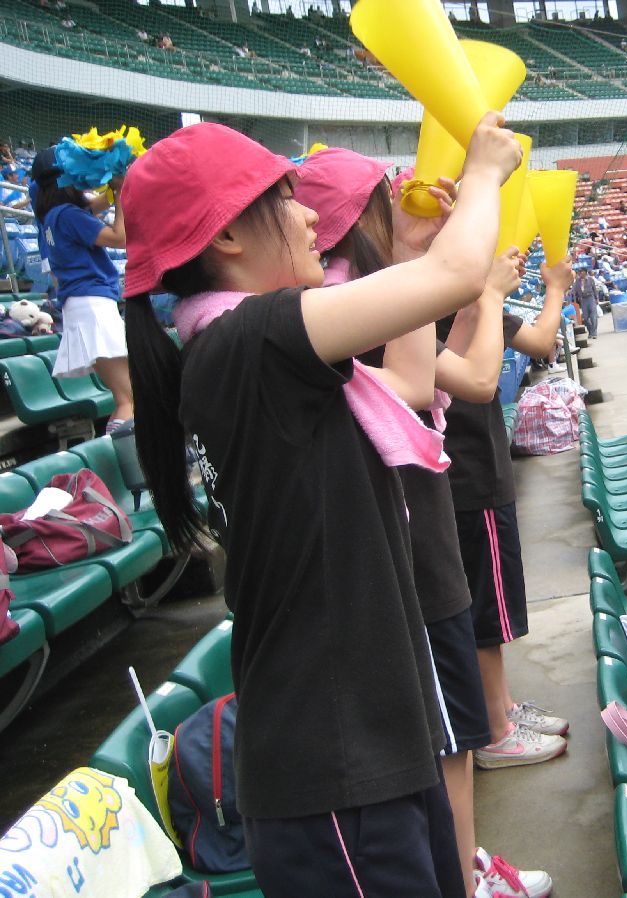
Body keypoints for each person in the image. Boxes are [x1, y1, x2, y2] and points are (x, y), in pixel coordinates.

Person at [122, 117, 523, 896]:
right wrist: (483, 174)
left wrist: (407, 253)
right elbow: (458, 275)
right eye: (286, 198)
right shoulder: (252, 342)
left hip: (360, 745)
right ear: (231, 235)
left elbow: (409, 375)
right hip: (336, 765)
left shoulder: (240, 352)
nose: (311, 217)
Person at [292, 148, 551, 898]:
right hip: (410, 554)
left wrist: (424, 263)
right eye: (387, 201)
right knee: (449, 746)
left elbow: (452, 369)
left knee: (454, 742)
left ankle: (465, 869)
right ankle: (464, 882)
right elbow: (452, 379)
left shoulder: (355, 306)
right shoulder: (341, 315)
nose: (407, 206)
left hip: (419, 546)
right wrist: (447, 268)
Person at [436, 249, 575, 773]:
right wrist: (554, 287)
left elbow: (538, 344)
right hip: (469, 478)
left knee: (485, 604)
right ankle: (494, 727)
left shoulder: (462, 296)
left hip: (471, 475)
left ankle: (503, 708)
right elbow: (487, 378)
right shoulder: (443, 301)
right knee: (485, 609)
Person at [33, 146, 133, 429]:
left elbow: (98, 204)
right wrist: (122, 192)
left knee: (125, 396)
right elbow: (119, 237)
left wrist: (115, 185)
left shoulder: (54, 214)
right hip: (92, 306)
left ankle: (119, 455)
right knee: (128, 398)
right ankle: (123, 461)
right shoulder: (67, 214)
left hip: (85, 306)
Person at [571, 266, 600, 341]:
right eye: (579, 272)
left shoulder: (590, 279)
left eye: (581, 272)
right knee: (586, 317)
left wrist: (597, 299)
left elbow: (594, 289)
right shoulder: (577, 281)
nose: (580, 273)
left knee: (593, 316)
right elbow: (574, 290)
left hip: (591, 298)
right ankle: (590, 331)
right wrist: (573, 297)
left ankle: (594, 333)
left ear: (585, 272)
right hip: (583, 300)